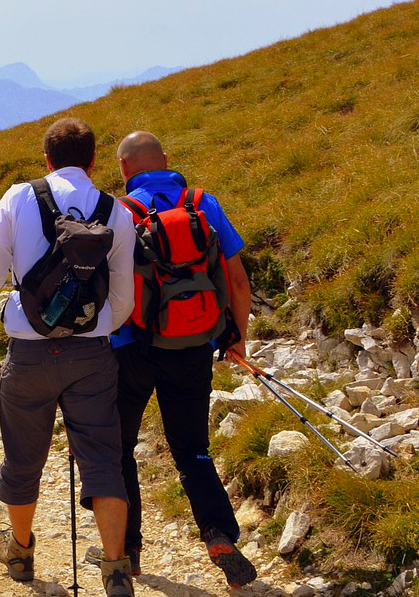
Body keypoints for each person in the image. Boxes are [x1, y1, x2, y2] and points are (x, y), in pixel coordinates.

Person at [0, 117, 140, 596]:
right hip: (92, 355)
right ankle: (115, 568)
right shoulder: (116, 211)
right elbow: (123, 298)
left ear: (46, 160)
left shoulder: (21, 196)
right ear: (93, 160)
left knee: (23, 456)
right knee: (103, 459)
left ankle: (20, 551)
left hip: (29, 352)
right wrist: (95, 323)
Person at [108, 131, 257, 588]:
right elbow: (237, 280)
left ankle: (127, 552)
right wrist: (236, 338)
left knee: (117, 451)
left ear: (125, 170)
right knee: (192, 449)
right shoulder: (202, 203)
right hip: (193, 344)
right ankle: (218, 533)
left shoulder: (120, 212)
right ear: (167, 160)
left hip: (132, 348)